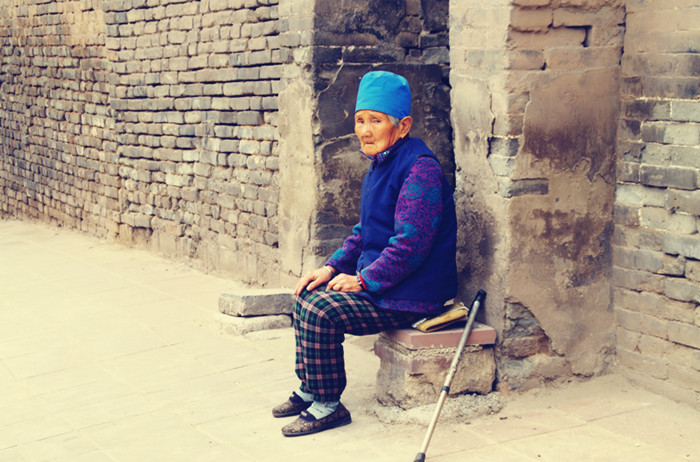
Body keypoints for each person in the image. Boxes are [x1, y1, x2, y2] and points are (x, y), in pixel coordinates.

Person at [273, 70, 458, 437]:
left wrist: (362, 280)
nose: (366, 130)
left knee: (321, 311)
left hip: (414, 294)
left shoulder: (420, 170)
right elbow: (365, 234)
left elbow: (410, 245)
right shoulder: (381, 164)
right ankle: (311, 386)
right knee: (306, 294)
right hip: (388, 285)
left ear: (402, 126)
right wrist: (329, 268)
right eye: (361, 120)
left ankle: (329, 405)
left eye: (376, 121)